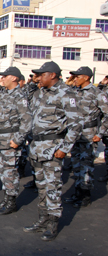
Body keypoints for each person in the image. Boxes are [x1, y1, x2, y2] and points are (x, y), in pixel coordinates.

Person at [23, 61, 83, 241]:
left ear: (53, 75)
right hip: (37, 148)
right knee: (41, 187)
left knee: (52, 188)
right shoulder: (40, 93)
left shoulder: (66, 94)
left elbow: (76, 124)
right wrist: (34, 81)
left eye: (42, 75)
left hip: (52, 150)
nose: (38, 78)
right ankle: (42, 220)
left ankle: (52, 224)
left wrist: (64, 148)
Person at [63, 67, 108, 208]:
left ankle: (85, 195)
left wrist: (100, 133)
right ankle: (77, 192)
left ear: (86, 77)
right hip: (75, 135)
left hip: (89, 135)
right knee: (76, 165)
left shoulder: (97, 93)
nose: (75, 79)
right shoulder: (74, 92)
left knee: (86, 167)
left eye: (77, 76)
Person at [0, 67, 32, 215]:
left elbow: (27, 120)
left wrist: (18, 140)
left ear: (14, 78)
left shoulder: (19, 96)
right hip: (0, 139)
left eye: (5, 76)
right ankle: (6, 198)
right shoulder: (4, 94)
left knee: (10, 172)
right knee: (3, 172)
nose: (2, 79)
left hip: (10, 140)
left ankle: (11, 202)